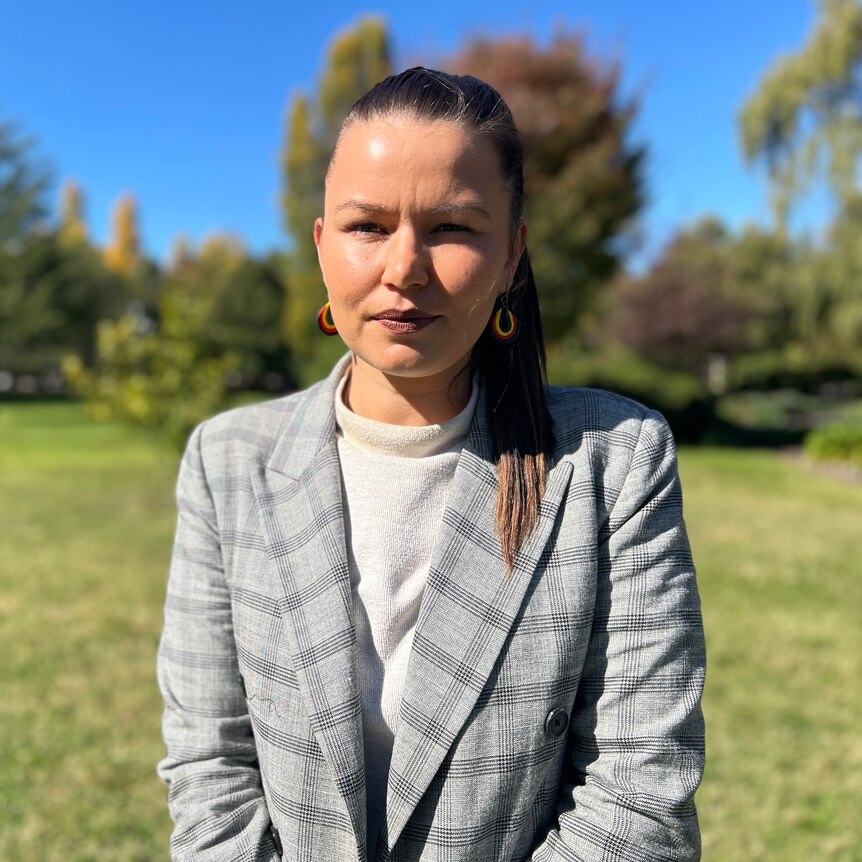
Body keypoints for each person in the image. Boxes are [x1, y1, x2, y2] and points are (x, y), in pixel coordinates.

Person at [157, 67, 706, 862]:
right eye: (368, 226)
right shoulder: (227, 463)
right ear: (322, 248)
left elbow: (639, 804)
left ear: (513, 252)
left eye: (451, 227)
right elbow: (210, 771)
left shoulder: (614, 462)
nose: (405, 267)